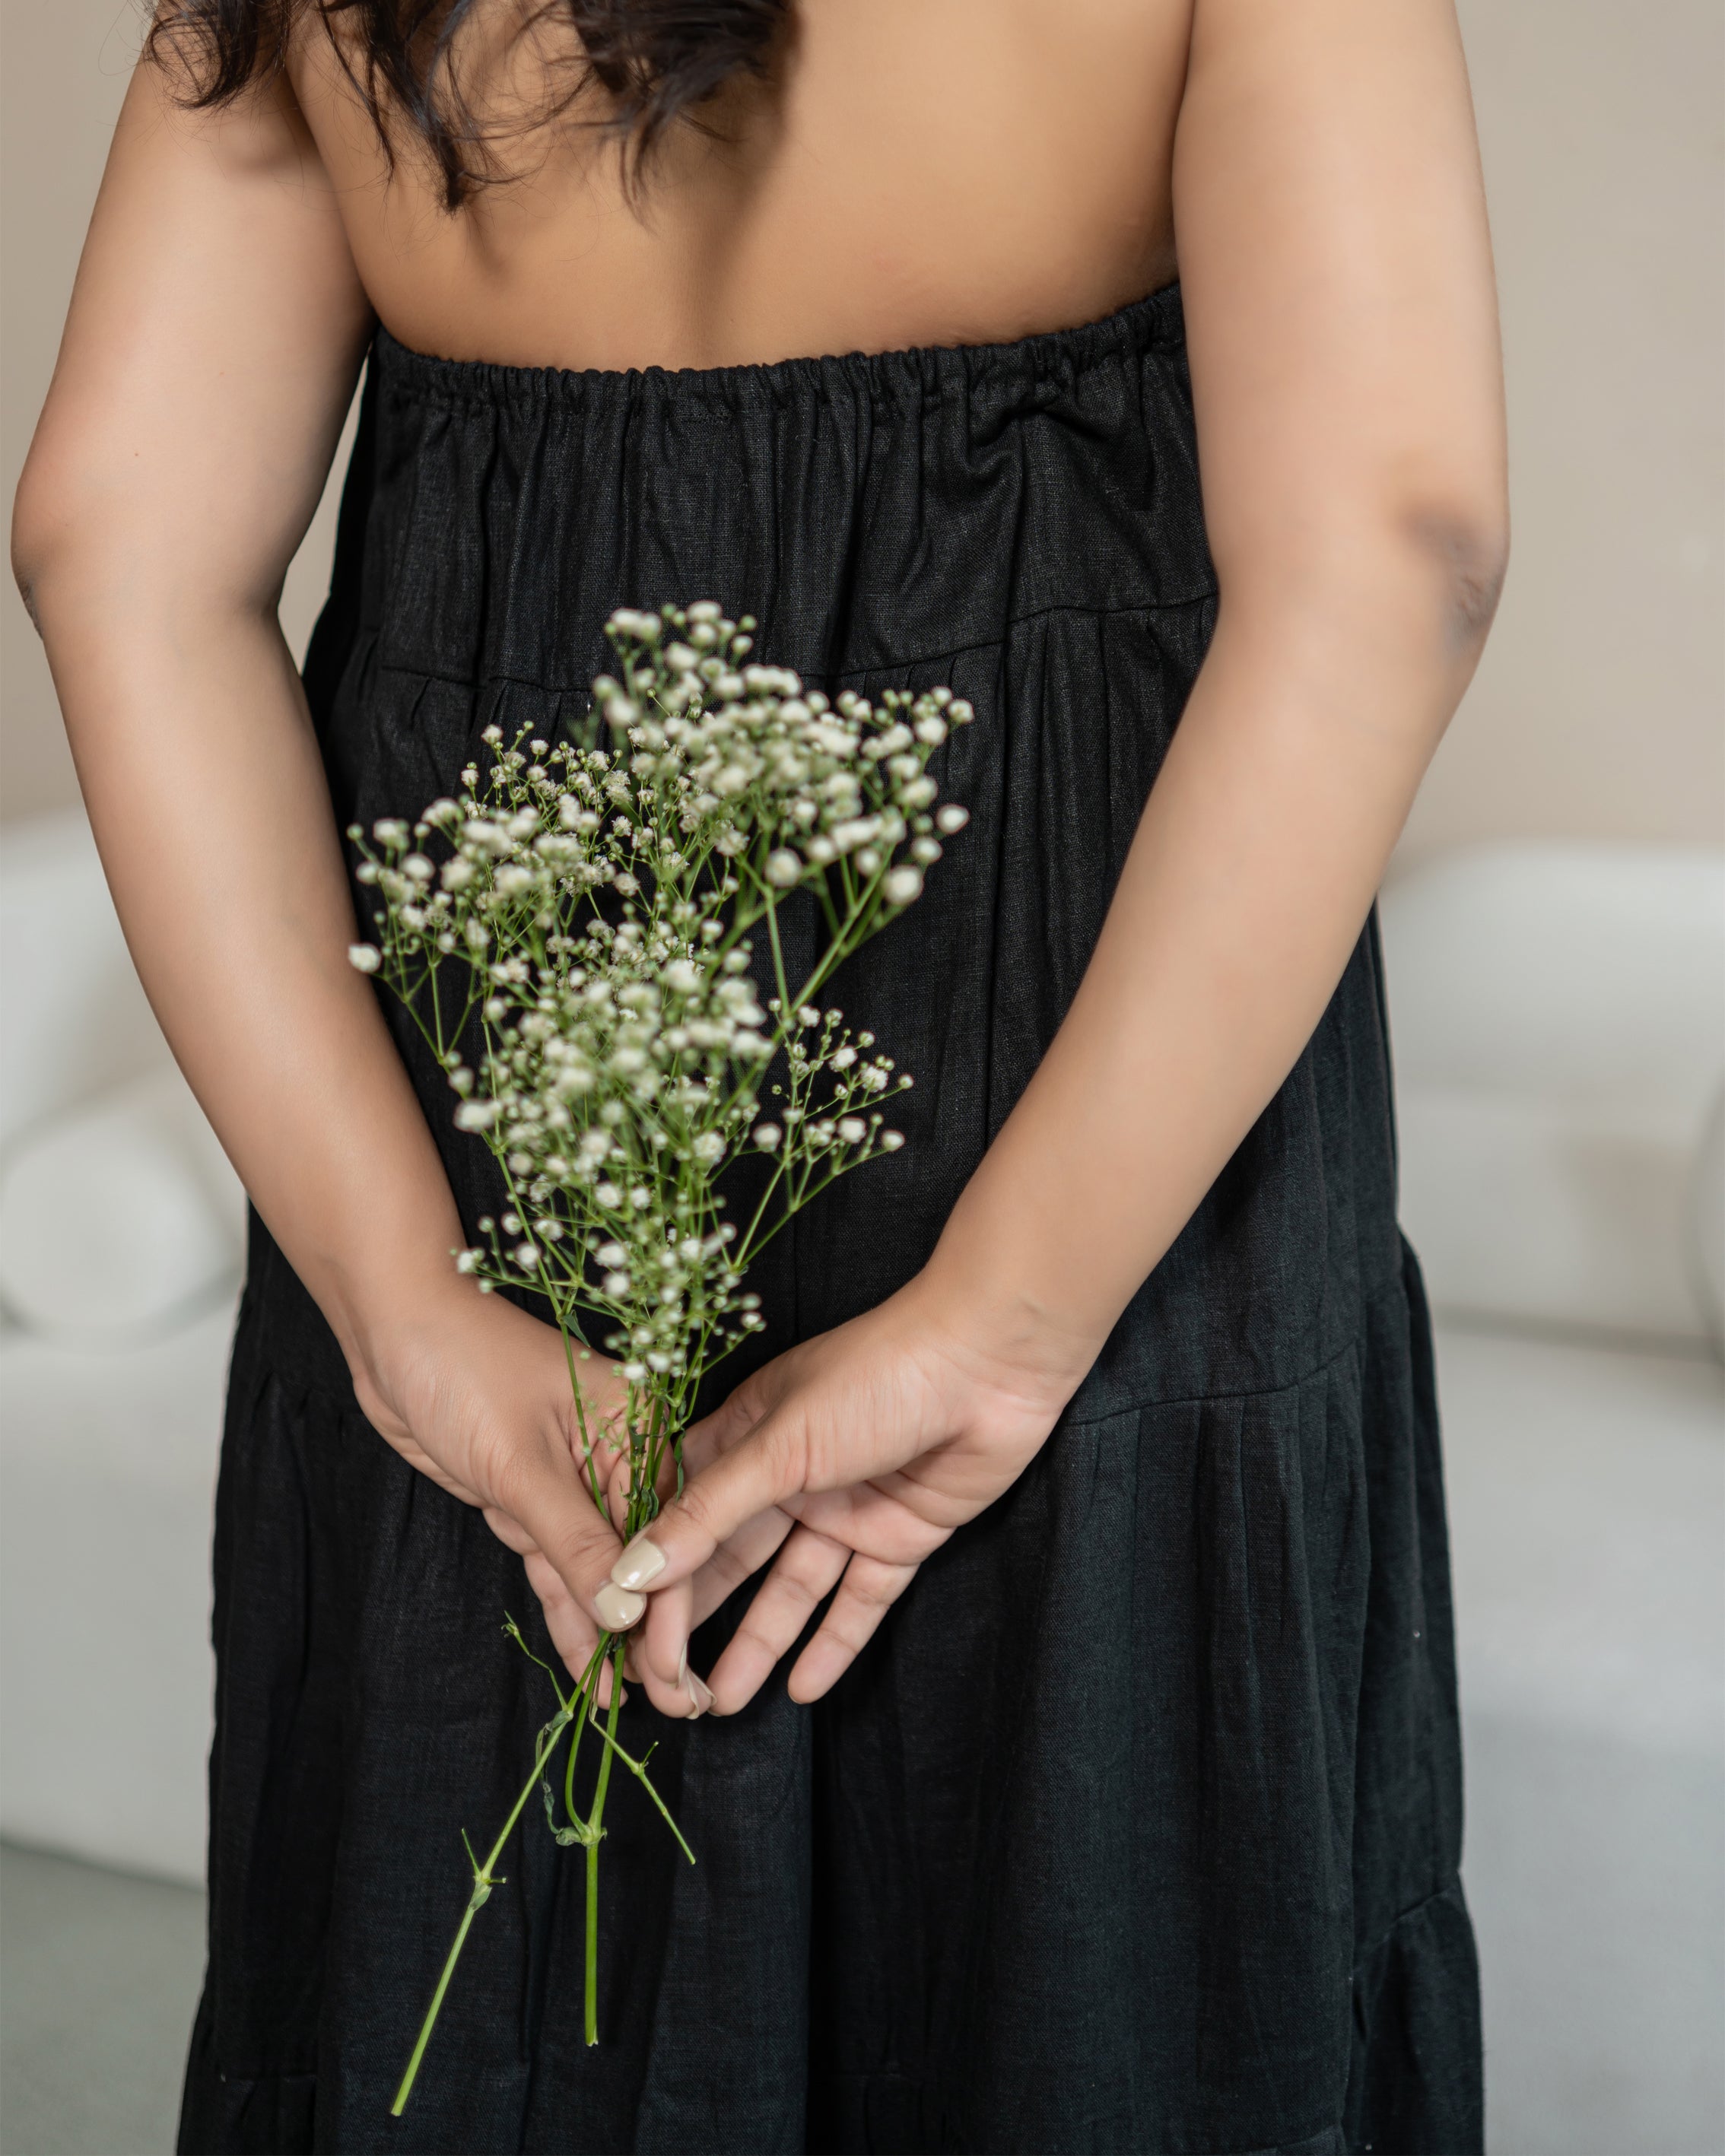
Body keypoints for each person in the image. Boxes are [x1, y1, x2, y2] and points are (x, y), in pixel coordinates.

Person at [12, 1, 1506, 2148]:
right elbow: (1395, 545)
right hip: (1093, 1084)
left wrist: (401, 1305)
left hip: (504, 1113)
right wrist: (1011, 1320)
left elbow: (116, 547)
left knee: (497, 1970)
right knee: (1115, 1962)